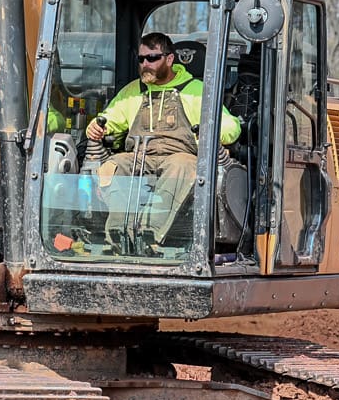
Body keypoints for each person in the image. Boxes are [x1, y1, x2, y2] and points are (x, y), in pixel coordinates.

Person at [84, 32, 241, 248]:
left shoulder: (196, 91)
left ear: (169, 59)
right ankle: (119, 235)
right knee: (114, 165)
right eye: (141, 59)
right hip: (140, 157)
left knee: (181, 166)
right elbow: (110, 118)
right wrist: (96, 127)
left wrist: (211, 131)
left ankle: (150, 234)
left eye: (152, 58)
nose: (145, 64)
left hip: (180, 156)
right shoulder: (133, 91)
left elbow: (232, 126)